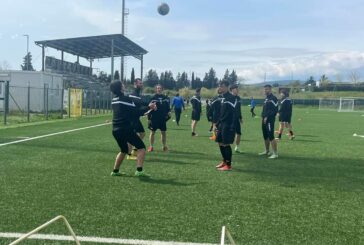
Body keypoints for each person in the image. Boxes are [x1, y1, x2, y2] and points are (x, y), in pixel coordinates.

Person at [109, 80, 156, 177]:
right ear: (120, 87)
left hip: (115, 130)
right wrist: (149, 107)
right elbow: (137, 112)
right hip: (125, 128)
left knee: (123, 150)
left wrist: (147, 108)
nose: (124, 85)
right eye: (122, 84)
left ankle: (115, 171)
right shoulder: (125, 99)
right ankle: (139, 171)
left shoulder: (114, 100)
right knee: (141, 148)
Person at [215, 81, 237, 171]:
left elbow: (234, 113)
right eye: (220, 86)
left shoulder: (231, 98)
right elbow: (222, 113)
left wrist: (232, 126)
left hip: (228, 125)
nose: (221, 88)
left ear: (227, 87)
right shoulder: (222, 98)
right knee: (220, 142)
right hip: (222, 124)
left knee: (226, 143)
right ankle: (224, 161)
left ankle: (228, 165)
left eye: (223, 86)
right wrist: (217, 123)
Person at [127, 78, 147, 160]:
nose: (141, 85)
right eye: (140, 83)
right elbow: (135, 107)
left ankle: (135, 149)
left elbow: (139, 106)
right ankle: (129, 154)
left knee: (142, 133)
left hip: (136, 118)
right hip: (131, 119)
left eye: (142, 83)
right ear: (135, 84)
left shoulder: (138, 94)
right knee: (131, 137)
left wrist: (144, 112)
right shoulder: (133, 94)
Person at [148, 84, 171, 152]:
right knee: (152, 132)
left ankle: (164, 146)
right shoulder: (153, 98)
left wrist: (169, 112)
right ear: (156, 89)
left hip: (162, 118)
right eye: (157, 88)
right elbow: (149, 108)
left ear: (162, 89)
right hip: (154, 118)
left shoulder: (165, 98)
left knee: (163, 132)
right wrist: (149, 119)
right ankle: (151, 146)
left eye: (160, 88)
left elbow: (168, 107)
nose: (159, 89)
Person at [259, 84, 279, 159]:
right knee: (265, 136)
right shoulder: (266, 98)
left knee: (271, 136)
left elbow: (275, 110)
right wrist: (262, 116)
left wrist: (267, 117)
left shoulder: (273, 98)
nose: (265, 90)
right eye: (265, 89)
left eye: (267, 89)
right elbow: (264, 109)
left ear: (270, 89)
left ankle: (275, 153)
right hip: (264, 120)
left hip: (270, 120)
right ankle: (267, 151)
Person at [230, 84, 243, 153]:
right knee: (230, 134)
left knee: (239, 133)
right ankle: (227, 148)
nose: (237, 90)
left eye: (238, 88)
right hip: (230, 119)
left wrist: (240, 117)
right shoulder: (229, 98)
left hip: (237, 119)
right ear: (232, 90)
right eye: (236, 89)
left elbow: (239, 109)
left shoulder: (238, 98)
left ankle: (237, 147)